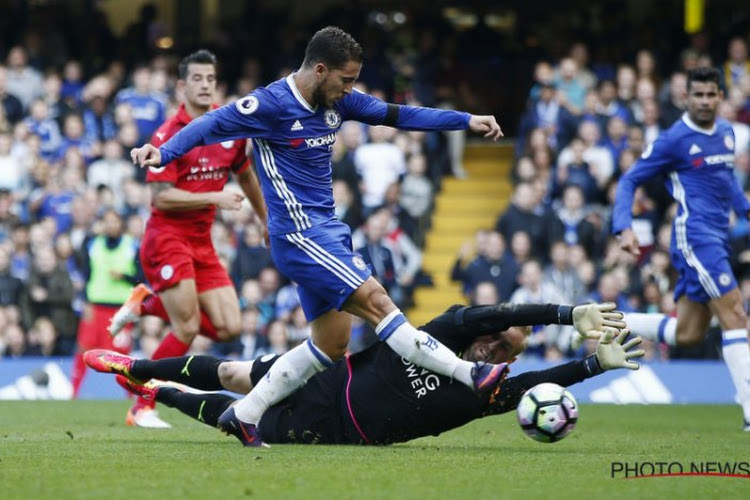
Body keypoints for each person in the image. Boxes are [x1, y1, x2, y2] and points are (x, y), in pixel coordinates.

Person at [130, 26, 503, 446]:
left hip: (329, 233)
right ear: (320, 70)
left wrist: (465, 120)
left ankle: (245, 414)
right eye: (345, 80)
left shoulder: (337, 102)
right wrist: (163, 153)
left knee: (331, 345)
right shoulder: (269, 105)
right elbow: (211, 124)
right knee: (379, 302)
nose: (350, 89)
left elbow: (398, 114)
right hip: (298, 235)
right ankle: (469, 374)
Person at [84, 302, 638, 446]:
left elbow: (528, 388)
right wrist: (563, 315)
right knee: (231, 372)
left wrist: (591, 365)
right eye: (496, 339)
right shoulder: (445, 332)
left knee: (223, 418)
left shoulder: (490, 393)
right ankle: (137, 366)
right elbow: (500, 314)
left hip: (339, 433)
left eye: (506, 351)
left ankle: (160, 391)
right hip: (327, 378)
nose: (496, 348)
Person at [110, 49, 267, 428]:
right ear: (182, 86)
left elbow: (245, 174)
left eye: (210, 79)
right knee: (187, 327)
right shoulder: (169, 133)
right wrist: (214, 196)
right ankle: (142, 403)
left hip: (202, 243)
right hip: (167, 238)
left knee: (230, 327)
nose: (204, 85)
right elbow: (161, 196)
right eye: (196, 79)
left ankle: (148, 303)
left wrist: (265, 219)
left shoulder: (228, 130)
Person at [611, 66, 750, 430]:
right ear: (686, 97)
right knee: (735, 313)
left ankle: (604, 321)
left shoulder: (726, 133)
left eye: (710, 94)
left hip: (718, 236)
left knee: (688, 333)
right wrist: (623, 225)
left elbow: (727, 181)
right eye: (698, 95)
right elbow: (630, 179)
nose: (704, 101)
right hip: (695, 236)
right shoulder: (674, 139)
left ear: (721, 96)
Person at [70, 210, 139, 398]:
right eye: (107, 222)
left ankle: (130, 395)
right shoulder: (93, 244)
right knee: (84, 348)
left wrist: (124, 277)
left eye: (114, 221)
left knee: (122, 354)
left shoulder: (131, 246)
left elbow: (142, 277)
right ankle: (73, 392)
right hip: (95, 306)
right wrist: (84, 302)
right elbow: (86, 275)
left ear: (121, 224)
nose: (111, 225)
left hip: (121, 310)